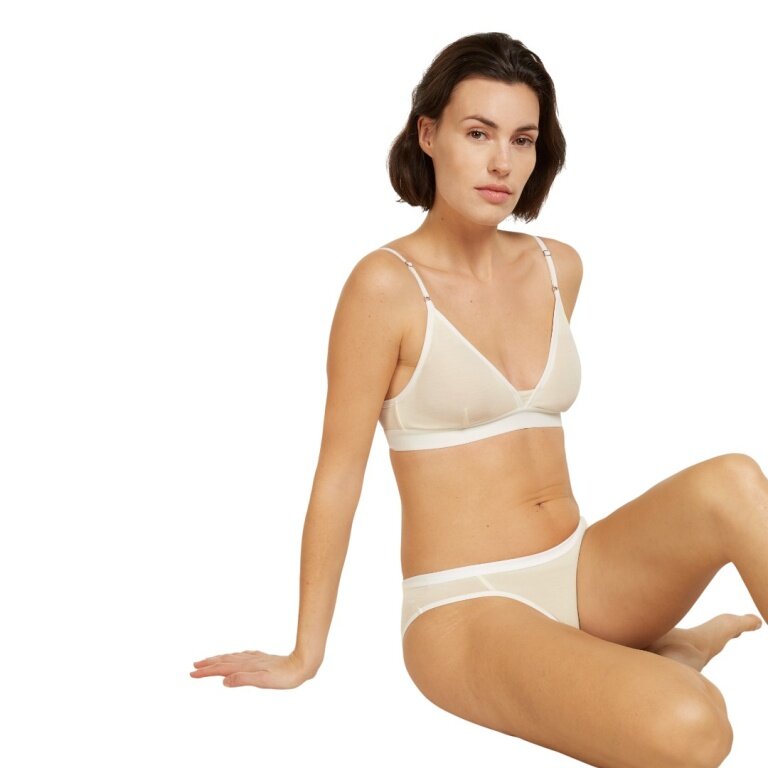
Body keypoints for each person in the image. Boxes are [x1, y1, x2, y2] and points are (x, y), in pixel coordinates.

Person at [190, 32, 766, 766]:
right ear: (428, 135)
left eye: (522, 139)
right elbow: (338, 474)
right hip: (467, 610)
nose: (503, 162)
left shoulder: (558, 267)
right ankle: (665, 662)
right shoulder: (385, 287)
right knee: (696, 726)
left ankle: (642, 657)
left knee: (733, 480)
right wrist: (306, 652)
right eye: (478, 133)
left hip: (585, 572)